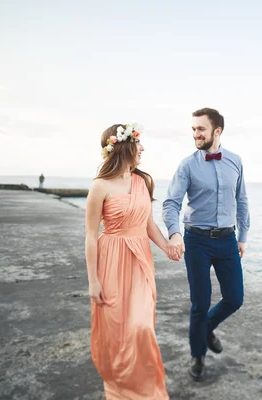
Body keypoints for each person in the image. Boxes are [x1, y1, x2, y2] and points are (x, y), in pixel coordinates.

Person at [85, 123, 178, 399]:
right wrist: (93, 280)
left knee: (141, 327)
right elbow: (90, 236)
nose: (143, 149)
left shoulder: (143, 181)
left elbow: (148, 224)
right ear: (125, 146)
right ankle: (121, 389)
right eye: (139, 143)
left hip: (139, 260)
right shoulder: (99, 186)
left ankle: (146, 391)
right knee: (117, 331)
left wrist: (167, 247)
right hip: (111, 260)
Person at [163, 108, 250, 381]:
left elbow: (242, 200)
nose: (195, 134)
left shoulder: (235, 161)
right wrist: (174, 233)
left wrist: (243, 236)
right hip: (197, 240)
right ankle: (197, 355)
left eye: (200, 129)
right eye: (193, 129)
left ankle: (206, 328)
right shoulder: (187, 165)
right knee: (199, 303)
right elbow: (171, 202)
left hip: (226, 240)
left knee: (235, 298)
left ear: (217, 131)